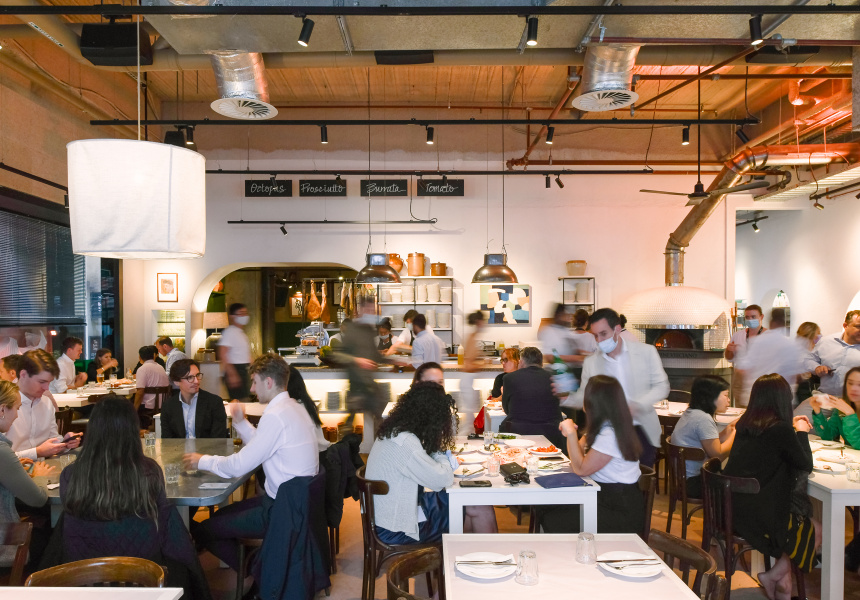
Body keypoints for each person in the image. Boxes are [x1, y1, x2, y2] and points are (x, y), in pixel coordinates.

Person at [56, 396, 209, 598]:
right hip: (143, 569)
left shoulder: (71, 475)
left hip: (84, 574)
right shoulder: (148, 471)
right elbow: (164, 525)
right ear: (132, 431)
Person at [185, 353, 319, 572]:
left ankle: (254, 568)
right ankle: (259, 561)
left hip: (280, 511)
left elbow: (238, 466)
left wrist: (202, 461)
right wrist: (240, 422)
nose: (252, 389)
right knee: (221, 516)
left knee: (204, 530)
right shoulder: (294, 408)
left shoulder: (275, 415)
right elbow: (264, 445)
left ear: (269, 382)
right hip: (296, 504)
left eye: (255, 382)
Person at [365, 381, 497, 543]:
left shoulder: (395, 431)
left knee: (471, 507)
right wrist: (439, 448)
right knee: (479, 508)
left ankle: (465, 551)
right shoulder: (405, 442)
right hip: (395, 527)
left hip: (389, 514)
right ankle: (482, 554)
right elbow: (443, 480)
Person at [724, 374, 817, 600]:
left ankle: (781, 582)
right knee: (815, 529)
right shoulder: (780, 430)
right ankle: (773, 575)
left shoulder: (745, 425)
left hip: (731, 508)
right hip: (758, 516)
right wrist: (802, 431)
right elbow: (805, 464)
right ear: (783, 399)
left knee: (796, 527)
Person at [563, 308, 669, 468]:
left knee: (642, 477)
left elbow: (662, 386)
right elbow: (585, 397)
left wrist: (637, 405)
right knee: (604, 476)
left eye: (603, 334)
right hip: (606, 431)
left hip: (640, 428)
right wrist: (565, 398)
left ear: (617, 329)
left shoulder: (646, 352)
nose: (599, 340)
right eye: (595, 336)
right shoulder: (591, 362)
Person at [558, 375, 644, 534]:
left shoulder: (610, 434)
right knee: (553, 509)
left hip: (619, 510)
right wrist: (572, 437)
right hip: (605, 498)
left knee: (555, 519)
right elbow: (577, 456)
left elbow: (581, 469)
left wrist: (571, 434)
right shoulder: (605, 426)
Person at [0, 381, 53, 568]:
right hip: (5, 548)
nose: (17, 415)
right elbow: (38, 499)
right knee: (56, 535)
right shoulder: (2, 451)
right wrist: (39, 475)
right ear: (2, 410)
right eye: (16, 408)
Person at [670, 375, 736, 497]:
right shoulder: (703, 419)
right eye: (726, 395)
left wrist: (731, 428)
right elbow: (718, 456)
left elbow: (712, 441)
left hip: (686, 480)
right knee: (738, 484)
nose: (728, 400)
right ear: (711, 396)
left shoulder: (692, 413)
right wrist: (734, 436)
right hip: (695, 483)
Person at [8, 350, 80, 460]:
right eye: (42, 382)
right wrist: (37, 452)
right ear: (23, 374)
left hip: (44, 466)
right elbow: (3, 458)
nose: (46, 388)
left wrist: (65, 443)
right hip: (13, 468)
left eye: (49, 382)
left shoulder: (46, 402)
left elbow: (53, 438)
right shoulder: (5, 403)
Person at [734, 308, 803, 407]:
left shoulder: (757, 341)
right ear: (785, 323)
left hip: (757, 397)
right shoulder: (791, 344)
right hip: (781, 399)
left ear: (771, 323)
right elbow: (796, 375)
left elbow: (742, 370)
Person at [501, 346, 565, 450]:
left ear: (521, 362)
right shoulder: (555, 378)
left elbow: (507, 409)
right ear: (541, 363)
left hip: (519, 431)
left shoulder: (509, 378)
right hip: (551, 432)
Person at [161, 359, 228, 439]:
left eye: (197, 375)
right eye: (190, 377)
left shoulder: (214, 403)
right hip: (179, 447)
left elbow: (218, 439)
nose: (196, 381)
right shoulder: (168, 406)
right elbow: (167, 440)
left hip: (207, 447)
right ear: (176, 381)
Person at [803, 309, 860, 397]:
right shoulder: (826, 342)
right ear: (845, 326)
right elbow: (809, 360)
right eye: (858, 326)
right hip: (825, 398)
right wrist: (816, 367)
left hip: (853, 401)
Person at [810, 365, 860, 449]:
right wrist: (817, 412)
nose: (853, 388)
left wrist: (850, 415)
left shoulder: (847, 410)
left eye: (859, 385)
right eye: (850, 383)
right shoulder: (842, 407)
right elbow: (828, 436)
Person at [725, 304, 766, 406]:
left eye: (753, 317)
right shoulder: (738, 335)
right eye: (747, 317)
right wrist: (729, 350)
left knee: (758, 408)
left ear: (761, 317)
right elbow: (729, 358)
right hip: (740, 379)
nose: (750, 320)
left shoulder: (768, 336)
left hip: (760, 379)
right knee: (741, 408)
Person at [218, 303, 253, 401]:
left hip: (243, 370)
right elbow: (222, 353)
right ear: (232, 316)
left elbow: (245, 355)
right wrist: (232, 374)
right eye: (241, 313)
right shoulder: (229, 332)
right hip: (235, 370)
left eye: (245, 313)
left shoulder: (241, 333)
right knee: (240, 402)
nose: (244, 316)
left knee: (245, 400)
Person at [459, 311, 486, 435]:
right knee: (468, 424)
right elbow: (468, 366)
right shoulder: (471, 338)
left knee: (469, 422)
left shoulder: (473, 337)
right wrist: (483, 364)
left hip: (467, 383)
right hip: (466, 383)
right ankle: (461, 442)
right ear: (479, 322)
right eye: (483, 321)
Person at [133, 345, 170, 427]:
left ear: (140, 357)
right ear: (154, 356)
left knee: (129, 402)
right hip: (163, 404)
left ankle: (138, 430)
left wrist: (134, 410)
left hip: (149, 406)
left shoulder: (142, 369)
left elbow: (140, 391)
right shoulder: (160, 367)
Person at [794, 322, 821, 405]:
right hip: (802, 390)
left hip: (808, 388)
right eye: (818, 333)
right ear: (811, 335)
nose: (820, 335)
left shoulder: (813, 350)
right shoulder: (801, 353)